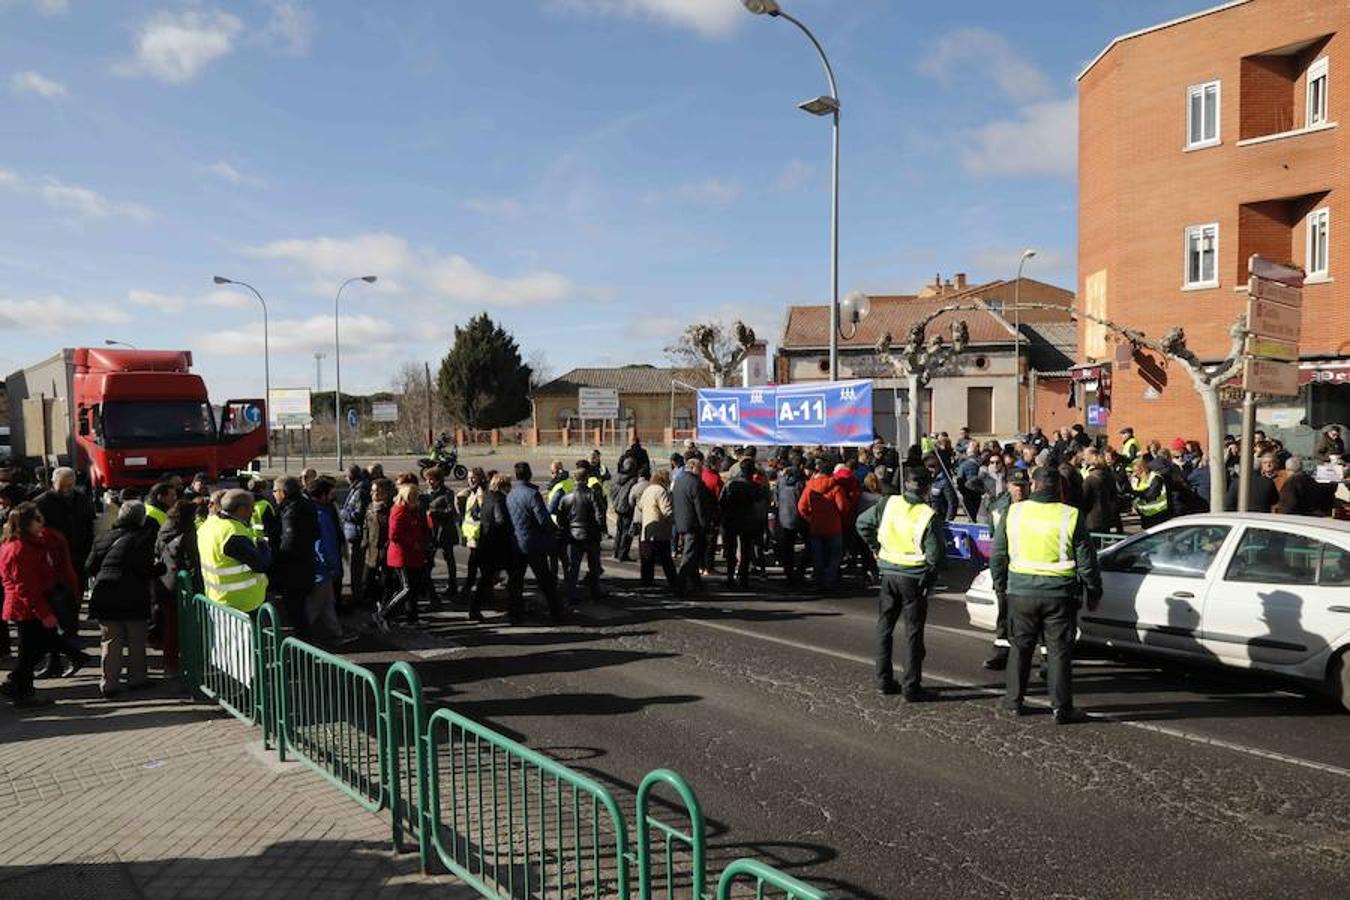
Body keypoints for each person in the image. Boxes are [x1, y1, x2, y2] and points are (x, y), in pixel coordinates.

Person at [990, 467, 1101, 724]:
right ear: (1059, 487)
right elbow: (1087, 561)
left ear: (1034, 485)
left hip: (1021, 592)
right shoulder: (1071, 515)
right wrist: (1093, 589)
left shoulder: (1014, 512)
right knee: (1059, 651)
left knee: (1020, 648)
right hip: (1060, 594)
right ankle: (1062, 708)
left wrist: (1000, 585)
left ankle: (1013, 702)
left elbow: (997, 554)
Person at [856, 468, 944, 700]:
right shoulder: (928, 514)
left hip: (888, 574)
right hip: (913, 577)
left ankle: (883, 680)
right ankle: (911, 686)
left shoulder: (889, 504)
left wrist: (877, 550)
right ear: (926, 488)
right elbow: (936, 556)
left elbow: (862, 524)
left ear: (906, 485)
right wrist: (930, 578)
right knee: (913, 633)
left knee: (884, 627)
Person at [0, 503, 90, 706]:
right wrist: (44, 612)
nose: (42, 523)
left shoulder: (26, 544)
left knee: (33, 648)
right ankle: (19, 688)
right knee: (33, 647)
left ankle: (21, 688)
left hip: (28, 604)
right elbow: (26, 587)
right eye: (37, 519)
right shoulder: (20, 549)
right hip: (27, 606)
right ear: (25, 523)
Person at [86, 500, 160, 699]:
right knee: (136, 639)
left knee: (110, 640)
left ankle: (109, 683)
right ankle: (137, 679)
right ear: (141, 518)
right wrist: (160, 569)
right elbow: (145, 568)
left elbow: (90, 566)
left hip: (105, 594)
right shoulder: (141, 539)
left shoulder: (104, 537)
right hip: (132, 595)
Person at [34, 467, 95, 667]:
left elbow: (88, 526)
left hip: (78, 556)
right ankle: (63, 637)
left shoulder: (82, 499)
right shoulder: (42, 503)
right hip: (55, 560)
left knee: (75, 595)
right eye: (63, 486)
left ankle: (72, 631)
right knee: (58, 600)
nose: (68, 489)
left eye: (71, 485)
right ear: (54, 483)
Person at [982, 467, 1030, 670]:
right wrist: (998, 577)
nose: (1019, 490)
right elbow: (996, 542)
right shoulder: (998, 508)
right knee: (1004, 613)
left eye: (1023, 486)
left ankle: (1046, 658)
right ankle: (1002, 651)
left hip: (1029, 568)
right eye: (1016, 486)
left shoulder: (1036, 507)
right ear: (1008, 485)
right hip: (1007, 567)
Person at [505, 462, 565, 624]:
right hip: (533, 543)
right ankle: (556, 611)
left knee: (516, 581)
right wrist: (554, 529)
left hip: (516, 543)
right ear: (529, 474)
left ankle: (514, 612)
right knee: (545, 580)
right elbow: (543, 519)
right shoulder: (532, 494)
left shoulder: (510, 495)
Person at [197, 489, 271, 612]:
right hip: (242, 604)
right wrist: (263, 545)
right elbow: (261, 564)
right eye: (250, 508)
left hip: (217, 599)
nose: (253, 512)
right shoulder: (232, 534)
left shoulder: (209, 525)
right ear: (241, 509)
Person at [378, 474, 430, 629]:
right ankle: (384, 613)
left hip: (413, 554)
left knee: (413, 588)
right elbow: (394, 534)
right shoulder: (399, 510)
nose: (415, 499)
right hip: (402, 555)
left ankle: (412, 617)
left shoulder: (412, 510)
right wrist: (412, 543)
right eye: (413, 496)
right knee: (406, 588)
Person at [155, 499, 200, 677]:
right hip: (180, 586)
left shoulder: (164, 528)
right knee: (179, 628)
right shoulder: (187, 535)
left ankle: (170, 664)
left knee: (170, 627)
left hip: (164, 582)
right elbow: (192, 562)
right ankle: (180, 666)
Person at [308, 478, 353, 645]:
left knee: (327, 605)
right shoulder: (321, 516)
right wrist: (333, 568)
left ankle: (336, 633)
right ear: (322, 495)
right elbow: (324, 547)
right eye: (331, 493)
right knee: (314, 608)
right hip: (322, 571)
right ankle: (299, 639)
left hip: (321, 570)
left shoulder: (316, 510)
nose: (334, 497)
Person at [272, 476, 318, 635]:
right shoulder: (306, 505)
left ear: (283, 492)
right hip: (305, 564)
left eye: (275, 491)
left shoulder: (291, 511)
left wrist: (276, 559)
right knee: (299, 610)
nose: (273, 495)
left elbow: (289, 542)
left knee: (296, 612)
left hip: (293, 570)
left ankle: (301, 646)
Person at [556, 460, 605, 605]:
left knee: (573, 567)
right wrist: (599, 529)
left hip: (573, 535)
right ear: (586, 478)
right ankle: (595, 592)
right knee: (594, 565)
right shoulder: (592, 494)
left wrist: (567, 529)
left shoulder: (567, 497)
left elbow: (560, 518)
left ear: (574, 480)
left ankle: (572, 593)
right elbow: (600, 515)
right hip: (591, 534)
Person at [469, 473, 514, 621]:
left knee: (486, 578)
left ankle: (475, 608)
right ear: (503, 486)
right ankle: (513, 607)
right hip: (497, 544)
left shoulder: (487, 497)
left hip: (485, 542)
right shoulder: (499, 500)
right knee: (512, 575)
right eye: (508, 485)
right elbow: (501, 520)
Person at [797, 457, 843, 591]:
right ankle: (830, 579)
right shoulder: (836, 487)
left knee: (818, 555)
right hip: (834, 525)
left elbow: (801, 507)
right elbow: (842, 507)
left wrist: (810, 518)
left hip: (816, 525)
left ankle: (818, 580)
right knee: (835, 555)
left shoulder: (810, 486)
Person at [637, 468, 680, 591]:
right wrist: (674, 519)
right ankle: (674, 582)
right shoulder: (661, 491)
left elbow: (640, 506)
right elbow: (666, 510)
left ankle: (646, 582)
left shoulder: (648, 490)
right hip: (660, 530)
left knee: (647, 559)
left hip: (647, 529)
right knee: (666, 559)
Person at [672, 456, 710, 594]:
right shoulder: (696, 483)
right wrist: (705, 524)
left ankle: (696, 583)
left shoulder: (679, 480)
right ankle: (680, 584)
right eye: (700, 469)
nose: (701, 472)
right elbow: (699, 507)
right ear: (693, 467)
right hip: (693, 524)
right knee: (689, 555)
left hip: (681, 521)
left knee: (692, 554)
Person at [423, 467, 459, 607]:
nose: (429, 482)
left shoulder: (447, 493)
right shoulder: (425, 493)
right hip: (431, 532)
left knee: (449, 558)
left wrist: (434, 512)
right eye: (427, 479)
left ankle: (452, 585)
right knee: (428, 560)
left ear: (439, 480)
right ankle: (427, 586)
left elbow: (450, 511)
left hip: (445, 531)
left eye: (432, 479)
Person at [340, 465, 372, 606]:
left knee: (356, 567)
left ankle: (357, 596)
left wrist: (343, 513)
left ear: (350, 477)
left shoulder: (360, 491)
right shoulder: (358, 488)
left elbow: (358, 514)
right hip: (353, 532)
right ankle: (357, 593)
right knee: (356, 566)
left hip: (356, 533)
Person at [774, 454, 807, 585]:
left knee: (787, 547)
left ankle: (788, 572)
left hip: (783, 517)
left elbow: (776, 498)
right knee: (809, 544)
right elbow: (804, 500)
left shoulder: (781, 480)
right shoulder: (801, 482)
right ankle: (799, 570)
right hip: (799, 516)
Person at [363, 479, 394, 610]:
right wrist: (364, 541)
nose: (372, 493)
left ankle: (385, 606)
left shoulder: (390, 509)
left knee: (386, 580)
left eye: (375, 491)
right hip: (371, 550)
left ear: (385, 493)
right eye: (372, 491)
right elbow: (366, 526)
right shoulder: (371, 507)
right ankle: (373, 603)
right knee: (367, 580)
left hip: (385, 550)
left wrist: (388, 545)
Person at [457, 468, 487, 602]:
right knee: (477, 564)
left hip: (479, 535)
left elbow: (483, 512)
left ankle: (469, 589)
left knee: (475, 564)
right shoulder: (471, 492)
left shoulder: (481, 493)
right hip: (471, 535)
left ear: (480, 478)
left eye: (473, 477)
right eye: (469, 478)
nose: (471, 480)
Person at [1081, 450, 1122, 534]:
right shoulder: (1110, 477)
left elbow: (1084, 500)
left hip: (1092, 519)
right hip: (1106, 517)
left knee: (1095, 544)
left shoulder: (1090, 479)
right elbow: (1114, 498)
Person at [609, 457, 639, 563]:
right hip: (627, 507)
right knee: (627, 531)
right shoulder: (634, 479)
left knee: (619, 530)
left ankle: (616, 552)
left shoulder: (616, 477)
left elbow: (611, 491)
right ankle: (623, 554)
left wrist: (615, 503)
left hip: (618, 507)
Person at [1129, 457, 1170, 528]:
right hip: (1144, 513)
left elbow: (1152, 495)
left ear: (1143, 469)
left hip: (1157, 513)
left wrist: (1136, 494)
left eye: (1137, 470)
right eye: (1134, 470)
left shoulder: (1155, 478)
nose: (1135, 473)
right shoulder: (1135, 479)